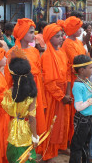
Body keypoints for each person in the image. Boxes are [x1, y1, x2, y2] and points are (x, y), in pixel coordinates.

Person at [5, 18, 46, 138]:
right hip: (21, 90)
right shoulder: (13, 53)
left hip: (35, 86)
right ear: (22, 34)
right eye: (31, 32)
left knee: (35, 115)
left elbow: (39, 72)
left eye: (34, 32)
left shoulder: (34, 51)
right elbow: (9, 77)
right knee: (23, 118)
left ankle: (35, 145)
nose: (34, 35)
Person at [39, 22, 72, 162]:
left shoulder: (62, 52)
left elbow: (68, 73)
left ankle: (61, 146)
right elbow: (49, 82)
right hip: (53, 95)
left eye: (61, 35)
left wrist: (68, 93)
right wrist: (61, 96)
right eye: (57, 36)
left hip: (64, 92)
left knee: (63, 121)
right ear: (49, 37)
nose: (61, 38)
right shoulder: (46, 56)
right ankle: (48, 152)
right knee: (51, 123)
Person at [1, 57, 39, 163]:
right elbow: (31, 118)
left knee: (14, 155)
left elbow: (7, 107)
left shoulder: (11, 92)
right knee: (26, 156)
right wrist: (35, 136)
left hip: (13, 127)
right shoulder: (32, 93)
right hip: (25, 130)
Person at [69, 55, 92, 163]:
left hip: (88, 118)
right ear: (82, 70)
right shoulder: (78, 85)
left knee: (85, 144)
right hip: (82, 119)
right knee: (77, 146)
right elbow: (78, 107)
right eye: (91, 67)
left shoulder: (86, 81)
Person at [61, 16, 87, 143]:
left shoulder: (78, 41)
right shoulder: (67, 43)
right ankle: (70, 139)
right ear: (72, 30)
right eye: (78, 28)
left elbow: (85, 57)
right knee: (73, 110)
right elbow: (77, 62)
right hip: (73, 79)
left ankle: (76, 137)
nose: (81, 30)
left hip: (82, 76)